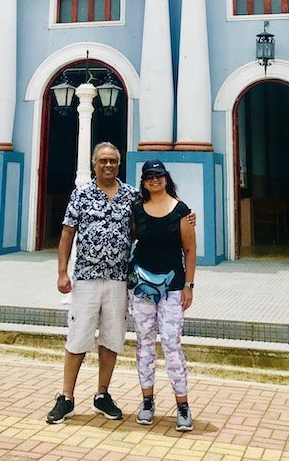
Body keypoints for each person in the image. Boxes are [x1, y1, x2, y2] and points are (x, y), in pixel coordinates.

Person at [47, 142, 195, 425]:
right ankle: (66, 397)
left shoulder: (131, 196)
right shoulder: (81, 195)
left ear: (119, 164)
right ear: (94, 164)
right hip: (87, 278)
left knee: (112, 339)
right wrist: (62, 272)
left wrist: (188, 216)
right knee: (78, 337)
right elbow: (67, 234)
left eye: (113, 161)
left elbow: (159, 210)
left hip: (119, 280)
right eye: (103, 161)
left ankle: (102, 394)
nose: (108, 165)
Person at [129, 159, 196, 432]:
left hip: (172, 288)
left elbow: (190, 250)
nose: (154, 180)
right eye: (149, 176)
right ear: (143, 182)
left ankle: (182, 404)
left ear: (166, 178)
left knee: (171, 342)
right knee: (144, 343)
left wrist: (189, 285)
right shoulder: (137, 210)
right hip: (143, 288)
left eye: (159, 175)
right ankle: (147, 401)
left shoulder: (181, 211)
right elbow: (130, 240)